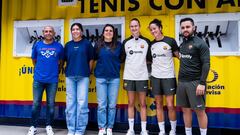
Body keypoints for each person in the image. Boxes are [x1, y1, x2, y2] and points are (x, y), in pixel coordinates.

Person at [27, 26, 64, 135]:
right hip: (38, 79)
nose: (48, 33)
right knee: (36, 104)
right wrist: (40, 69)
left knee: (51, 104)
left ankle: (49, 126)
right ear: (43, 33)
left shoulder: (59, 46)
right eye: (46, 31)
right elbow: (34, 60)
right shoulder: (37, 45)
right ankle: (33, 126)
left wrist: (57, 70)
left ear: (54, 33)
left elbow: (61, 61)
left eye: (50, 31)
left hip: (52, 80)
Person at [177, 17, 210, 135]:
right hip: (181, 83)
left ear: (194, 28)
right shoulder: (182, 44)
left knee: (200, 111)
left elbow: (206, 64)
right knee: (185, 110)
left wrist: (202, 83)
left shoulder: (201, 44)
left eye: (187, 27)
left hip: (195, 83)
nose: (185, 29)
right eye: (183, 27)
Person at [148, 19, 179, 135]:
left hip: (169, 77)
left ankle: (173, 130)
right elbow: (149, 61)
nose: (153, 31)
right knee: (159, 105)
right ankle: (162, 131)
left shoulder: (170, 41)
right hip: (155, 78)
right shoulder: (151, 44)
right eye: (151, 30)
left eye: (154, 28)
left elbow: (179, 56)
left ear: (160, 28)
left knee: (170, 105)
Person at [122, 18, 151, 135]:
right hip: (129, 76)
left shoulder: (146, 42)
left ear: (139, 26)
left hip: (142, 77)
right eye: (132, 26)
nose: (134, 28)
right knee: (130, 103)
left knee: (143, 103)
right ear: (130, 28)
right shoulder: (126, 42)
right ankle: (131, 129)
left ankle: (144, 130)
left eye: (136, 26)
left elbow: (150, 59)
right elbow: (122, 59)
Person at [64, 23, 94, 135]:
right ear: (71, 31)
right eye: (73, 29)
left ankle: (80, 130)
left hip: (83, 77)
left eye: (77, 29)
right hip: (70, 77)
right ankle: (71, 129)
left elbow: (91, 59)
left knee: (82, 104)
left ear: (81, 31)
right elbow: (65, 60)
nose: (75, 31)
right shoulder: (68, 45)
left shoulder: (87, 44)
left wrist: (88, 71)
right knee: (70, 104)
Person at [94, 24, 122, 135]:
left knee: (111, 105)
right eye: (106, 30)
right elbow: (94, 58)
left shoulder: (119, 45)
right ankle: (101, 128)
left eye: (111, 30)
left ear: (114, 33)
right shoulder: (98, 45)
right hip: (101, 78)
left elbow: (122, 59)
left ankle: (109, 127)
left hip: (114, 78)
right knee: (102, 105)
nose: (108, 32)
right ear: (103, 32)